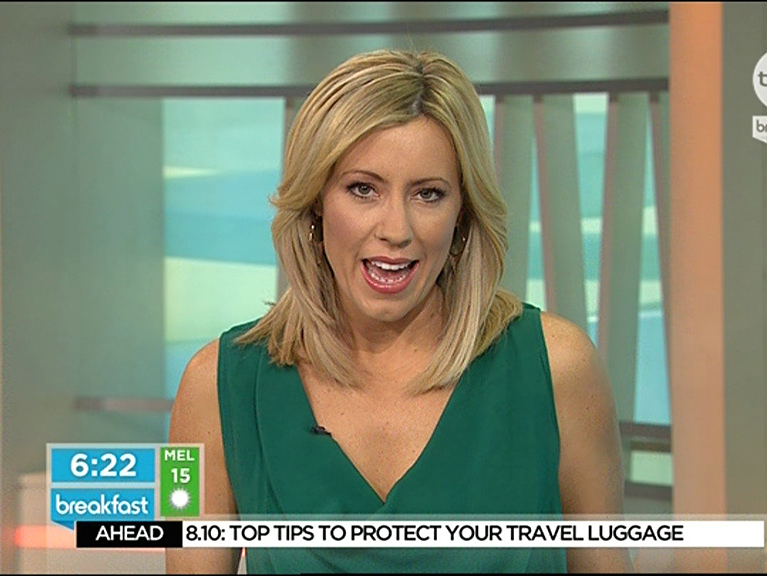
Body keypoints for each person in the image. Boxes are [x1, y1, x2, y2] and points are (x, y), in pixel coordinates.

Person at [167, 49, 633, 574]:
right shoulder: (212, 385)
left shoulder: (560, 368)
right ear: (316, 200)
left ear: (463, 212)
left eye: (428, 194)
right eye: (363, 189)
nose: (396, 230)